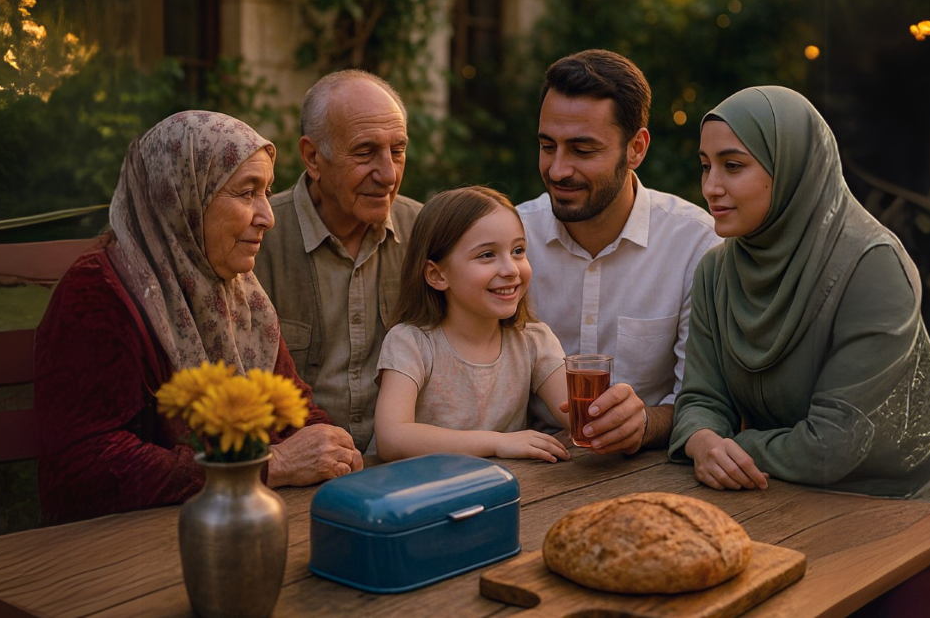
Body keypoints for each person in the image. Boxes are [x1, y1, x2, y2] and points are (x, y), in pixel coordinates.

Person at [670, 86, 930, 616]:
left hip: (892, 513)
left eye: (733, 165)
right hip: (773, 501)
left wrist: (734, 446)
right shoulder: (717, 271)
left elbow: (835, 443)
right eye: (705, 165)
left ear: (793, 170)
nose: (711, 187)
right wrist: (702, 441)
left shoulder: (873, 266)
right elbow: (699, 397)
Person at [35, 111, 363, 524]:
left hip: (227, 519)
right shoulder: (97, 293)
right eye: (246, 193)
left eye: (266, 192)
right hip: (122, 545)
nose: (268, 216)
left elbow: (294, 409)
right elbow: (86, 467)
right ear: (181, 199)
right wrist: (267, 466)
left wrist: (323, 446)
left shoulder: (239, 295)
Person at [519, 49, 721, 455]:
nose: (558, 169)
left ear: (637, 148)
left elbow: (705, 399)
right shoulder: (512, 238)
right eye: (547, 145)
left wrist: (646, 422)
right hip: (528, 461)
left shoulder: (695, 244)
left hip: (650, 469)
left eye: (582, 150)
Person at [253, 70, 422, 455]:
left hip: (403, 466)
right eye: (365, 152)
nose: (389, 174)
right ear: (313, 157)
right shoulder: (256, 241)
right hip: (295, 475)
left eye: (398, 150)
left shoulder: (425, 235)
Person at [373, 187, 572, 463]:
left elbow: (578, 417)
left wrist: (608, 418)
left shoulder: (533, 341)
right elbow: (392, 439)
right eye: (487, 255)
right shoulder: (411, 343)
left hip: (509, 493)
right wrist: (498, 442)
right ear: (437, 274)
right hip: (419, 495)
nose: (511, 269)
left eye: (518, 250)